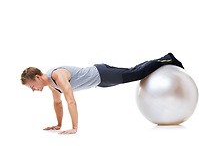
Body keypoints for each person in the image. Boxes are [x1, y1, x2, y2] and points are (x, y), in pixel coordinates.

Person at [20, 52, 184, 134]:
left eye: (32, 86)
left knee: (136, 74)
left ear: (37, 77)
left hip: (102, 74)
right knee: (133, 71)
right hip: (101, 80)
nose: (33, 90)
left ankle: (167, 58)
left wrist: (74, 128)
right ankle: (161, 60)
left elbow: (71, 101)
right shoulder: (51, 85)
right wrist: (59, 124)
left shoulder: (57, 75)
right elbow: (57, 103)